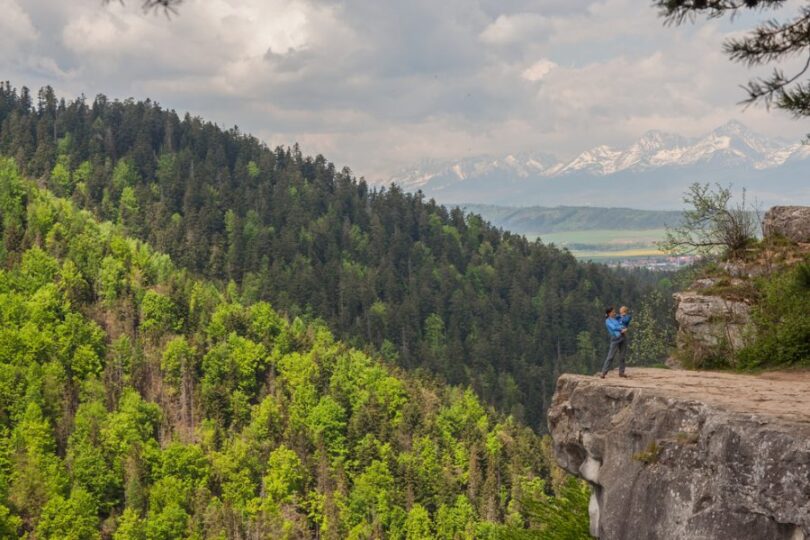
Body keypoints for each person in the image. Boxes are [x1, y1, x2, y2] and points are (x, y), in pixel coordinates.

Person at [600, 306, 628, 378]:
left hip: (622, 336)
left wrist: (624, 327)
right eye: (613, 312)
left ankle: (621, 372)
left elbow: (623, 322)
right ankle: (604, 372)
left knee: (622, 356)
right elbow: (613, 327)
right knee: (611, 356)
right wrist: (622, 328)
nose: (614, 312)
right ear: (609, 313)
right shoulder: (608, 321)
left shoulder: (616, 318)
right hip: (615, 338)